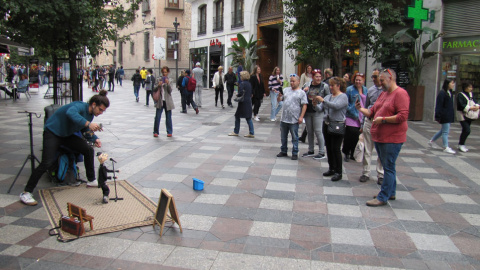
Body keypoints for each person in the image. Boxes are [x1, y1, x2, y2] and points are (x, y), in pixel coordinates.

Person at [20, 91, 110, 206]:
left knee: (88, 150)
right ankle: (26, 192)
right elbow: (70, 113)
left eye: (103, 111)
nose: (101, 112)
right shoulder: (79, 106)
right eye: (100, 109)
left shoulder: (91, 115)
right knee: (46, 163)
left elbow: (84, 129)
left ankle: (91, 180)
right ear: (93, 104)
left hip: (66, 135)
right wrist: (88, 123)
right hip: (52, 133)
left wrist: (95, 138)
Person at [357, 69, 410, 207]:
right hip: (380, 136)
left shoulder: (400, 94)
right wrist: (360, 109)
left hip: (392, 138)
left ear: (390, 78)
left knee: (389, 166)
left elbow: (402, 116)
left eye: (382, 80)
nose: (379, 83)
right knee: (388, 166)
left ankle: (383, 196)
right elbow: (372, 112)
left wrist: (384, 120)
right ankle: (390, 191)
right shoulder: (384, 94)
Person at [315, 77, 348, 182]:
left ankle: (339, 171)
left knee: (336, 148)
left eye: (333, 85)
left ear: (338, 86)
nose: (331, 87)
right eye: (330, 85)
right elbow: (320, 108)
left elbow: (336, 106)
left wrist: (323, 100)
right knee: (329, 148)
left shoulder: (343, 97)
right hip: (327, 124)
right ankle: (331, 168)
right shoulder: (329, 96)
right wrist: (315, 104)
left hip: (337, 125)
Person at [359, 69, 384, 184]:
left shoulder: (387, 91)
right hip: (370, 120)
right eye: (372, 77)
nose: (373, 79)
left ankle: (381, 174)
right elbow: (366, 106)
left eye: (375, 76)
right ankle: (366, 172)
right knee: (367, 149)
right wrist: (363, 122)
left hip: (382, 122)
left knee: (381, 151)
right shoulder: (371, 90)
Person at [276, 74, 308, 160]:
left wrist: (301, 117)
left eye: (293, 81)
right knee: (283, 136)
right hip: (284, 118)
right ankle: (283, 150)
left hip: (294, 119)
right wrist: (279, 96)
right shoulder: (286, 90)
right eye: (291, 81)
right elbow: (280, 100)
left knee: (294, 137)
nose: (292, 83)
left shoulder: (301, 93)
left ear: (298, 82)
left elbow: (304, 105)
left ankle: (295, 152)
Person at [302, 69, 330, 160]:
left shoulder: (324, 86)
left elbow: (328, 98)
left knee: (318, 131)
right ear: (312, 77)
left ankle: (321, 152)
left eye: (319, 76)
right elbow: (302, 95)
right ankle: (311, 150)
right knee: (309, 131)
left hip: (318, 111)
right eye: (316, 76)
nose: (318, 78)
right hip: (308, 111)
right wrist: (304, 90)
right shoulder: (307, 85)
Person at [343, 72, 368, 162]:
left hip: (362, 115)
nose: (358, 81)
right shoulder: (349, 89)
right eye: (356, 80)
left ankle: (354, 152)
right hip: (351, 115)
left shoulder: (366, 90)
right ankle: (346, 152)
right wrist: (350, 109)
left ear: (363, 81)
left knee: (357, 135)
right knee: (350, 134)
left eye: (360, 80)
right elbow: (346, 102)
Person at [428, 78, 456, 154]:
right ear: (447, 84)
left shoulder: (449, 93)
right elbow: (439, 105)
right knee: (445, 132)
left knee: (443, 131)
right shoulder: (442, 93)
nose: (453, 85)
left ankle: (432, 141)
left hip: (448, 115)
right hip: (444, 115)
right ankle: (445, 146)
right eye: (452, 83)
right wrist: (438, 116)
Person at [229, 71, 254, 138]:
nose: (240, 77)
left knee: (237, 116)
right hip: (248, 102)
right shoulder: (249, 84)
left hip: (243, 103)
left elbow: (240, 93)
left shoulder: (242, 84)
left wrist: (237, 94)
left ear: (243, 76)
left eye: (240, 76)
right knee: (248, 118)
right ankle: (251, 132)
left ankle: (236, 131)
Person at [457, 81, 480, 152]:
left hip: (469, 115)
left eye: (471, 87)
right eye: (469, 87)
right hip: (462, 115)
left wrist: (476, 106)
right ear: (465, 88)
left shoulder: (471, 94)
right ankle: (461, 144)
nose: (471, 88)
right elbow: (461, 105)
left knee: (465, 130)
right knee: (467, 130)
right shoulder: (460, 95)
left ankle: (461, 144)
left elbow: (476, 102)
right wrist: (470, 108)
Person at [153, 66, 175, 137]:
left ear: (168, 72)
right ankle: (155, 131)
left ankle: (169, 131)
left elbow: (170, 91)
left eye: (165, 72)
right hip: (160, 101)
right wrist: (159, 85)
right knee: (157, 116)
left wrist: (167, 84)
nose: (164, 74)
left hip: (167, 101)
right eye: (163, 72)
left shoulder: (170, 80)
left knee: (168, 117)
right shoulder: (158, 79)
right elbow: (154, 89)